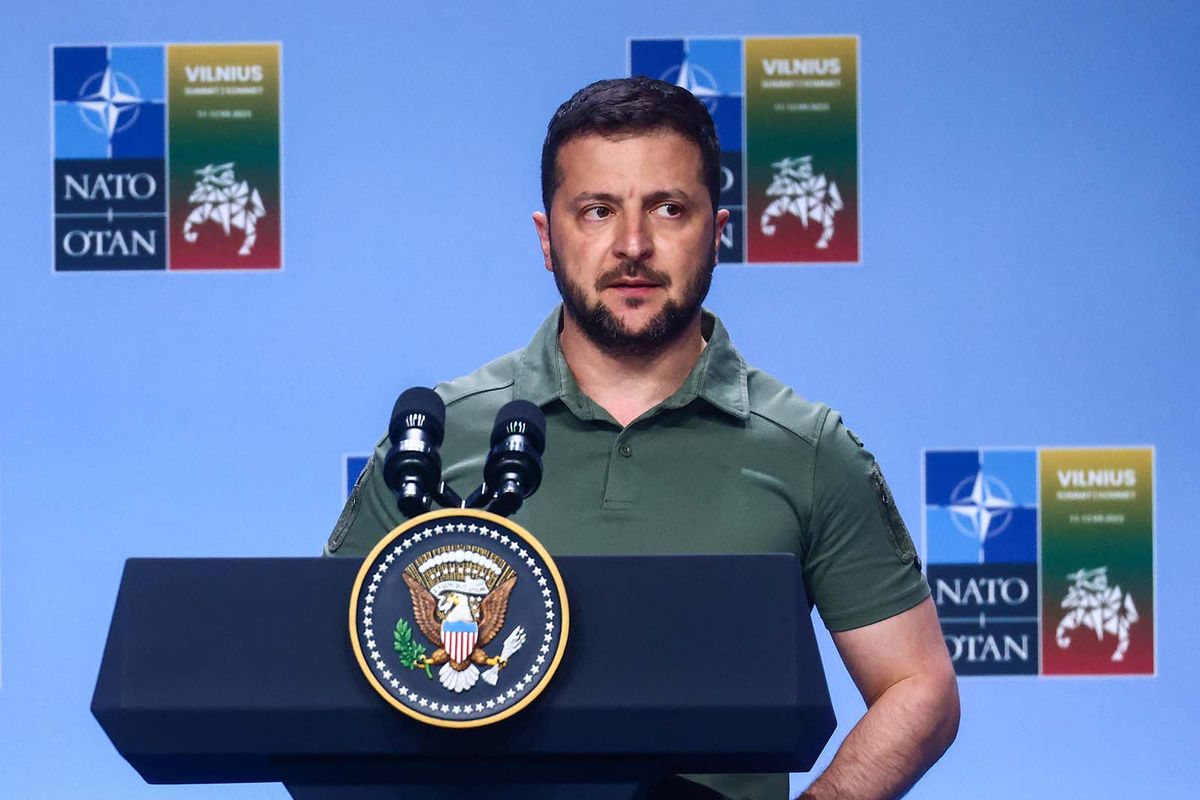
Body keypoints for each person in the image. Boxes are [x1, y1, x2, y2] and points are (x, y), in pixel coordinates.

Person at [327, 76, 959, 800]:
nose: (633, 245)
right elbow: (322, 678)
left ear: (716, 232)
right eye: (597, 211)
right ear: (547, 239)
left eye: (667, 208)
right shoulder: (441, 435)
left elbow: (920, 687)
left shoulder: (805, 446)